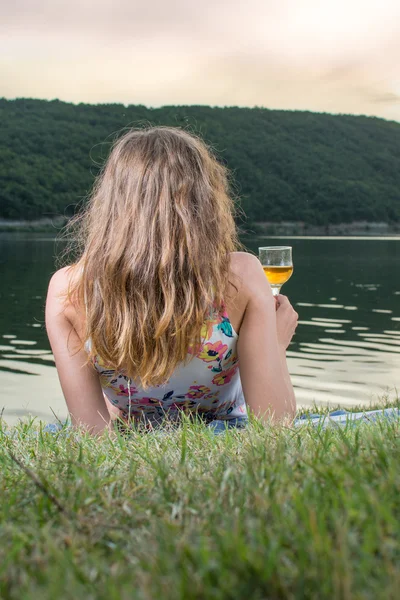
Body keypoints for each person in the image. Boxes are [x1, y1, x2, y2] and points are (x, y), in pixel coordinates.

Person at [45, 126, 298, 437]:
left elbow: (92, 434)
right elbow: (276, 425)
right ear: (205, 202)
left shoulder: (67, 290)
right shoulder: (240, 275)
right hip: (225, 431)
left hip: (131, 433)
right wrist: (277, 345)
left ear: (111, 204)